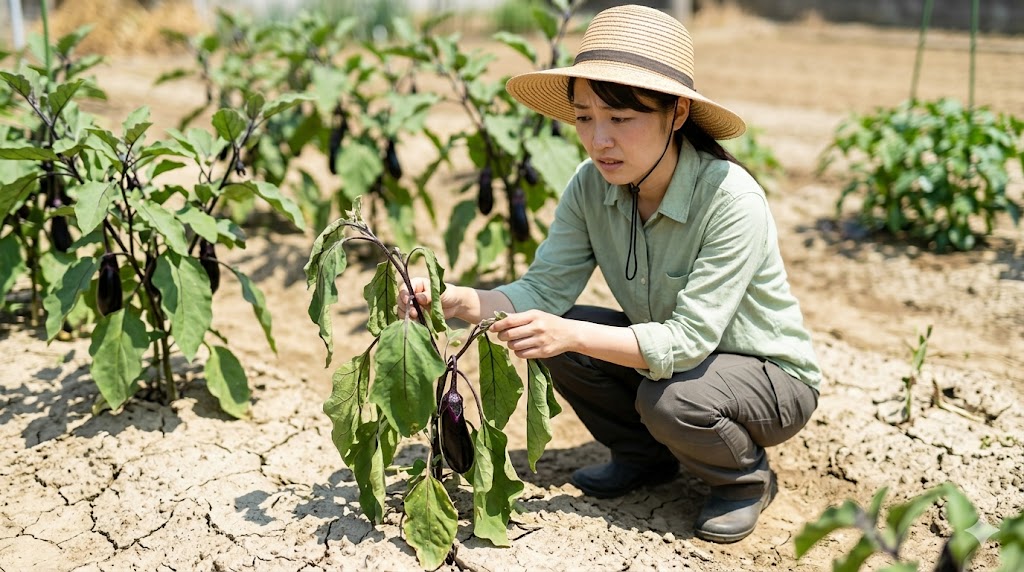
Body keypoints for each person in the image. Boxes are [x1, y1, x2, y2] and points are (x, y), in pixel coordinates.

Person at [399, 4, 821, 544]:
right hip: (682, 362)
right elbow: (542, 291)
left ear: (677, 113)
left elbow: (690, 340)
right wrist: (457, 300)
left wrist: (571, 332)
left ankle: (742, 479)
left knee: (665, 396)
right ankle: (645, 456)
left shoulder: (730, 199)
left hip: (768, 378)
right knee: (557, 332)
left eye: (621, 119)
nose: (599, 140)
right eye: (584, 118)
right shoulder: (589, 186)